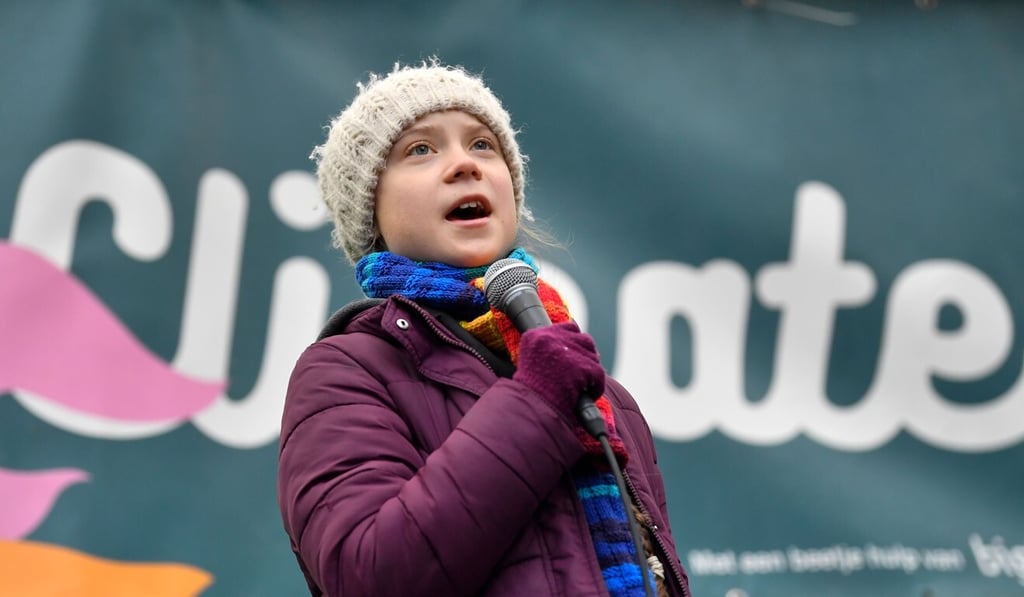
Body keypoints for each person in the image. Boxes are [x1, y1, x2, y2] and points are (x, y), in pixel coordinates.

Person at [277, 59, 692, 597]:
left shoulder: (606, 397)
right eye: (420, 150)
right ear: (370, 213)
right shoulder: (345, 371)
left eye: (482, 146)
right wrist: (537, 408)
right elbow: (366, 574)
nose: (463, 165)